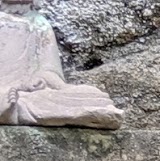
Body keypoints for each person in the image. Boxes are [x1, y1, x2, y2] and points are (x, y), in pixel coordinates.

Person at [0, 0, 123, 129]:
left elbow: (48, 70)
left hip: (28, 93)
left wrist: (54, 85)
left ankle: (10, 108)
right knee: (11, 99)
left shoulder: (40, 23)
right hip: (6, 92)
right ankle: (7, 108)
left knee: (92, 96)